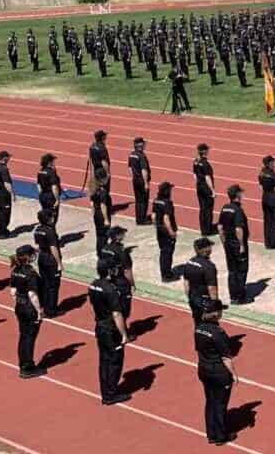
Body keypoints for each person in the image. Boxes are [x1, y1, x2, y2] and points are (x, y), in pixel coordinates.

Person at [194, 298, 236, 446]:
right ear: (216, 313)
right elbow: (226, 357)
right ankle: (220, 435)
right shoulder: (217, 332)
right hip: (219, 373)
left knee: (210, 402)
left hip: (204, 369)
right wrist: (234, 374)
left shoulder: (199, 328)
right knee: (220, 404)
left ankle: (211, 433)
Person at [89, 259, 130, 404]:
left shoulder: (93, 285)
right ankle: (110, 394)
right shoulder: (110, 289)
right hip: (111, 329)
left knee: (104, 361)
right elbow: (117, 314)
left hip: (100, 326)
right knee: (114, 361)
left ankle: (106, 391)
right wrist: (124, 334)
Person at [10, 245, 45, 378]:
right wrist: (39, 311)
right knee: (30, 337)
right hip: (30, 308)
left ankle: (23, 362)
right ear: (29, 257)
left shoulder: (15, 270)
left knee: (23, 335)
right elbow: (32, 294)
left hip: (19, 307)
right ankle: (27, 367)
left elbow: (13, 292)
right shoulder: (31, 273)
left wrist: (19, 301)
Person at [218, 185, 251, 304]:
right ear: (237, 195)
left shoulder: (225, 208)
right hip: (237, 244)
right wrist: (242, 245)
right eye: (241, 193)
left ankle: (233, 295)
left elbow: (220, 226)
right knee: (242, 270)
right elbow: (238, 229)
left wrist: (223, 241)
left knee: (232, 270)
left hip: (228, 243)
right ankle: (240, 296)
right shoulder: (238, 210)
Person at [182, 237, 220, 326]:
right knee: (211, 324)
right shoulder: (209, 266)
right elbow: (212, 288)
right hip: (205, 300)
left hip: (193, 298)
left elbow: (186, 283)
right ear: (205, 249)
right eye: (209, 246)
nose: (211, 248)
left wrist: (190, 298)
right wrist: (215, 305)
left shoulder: (189, 262)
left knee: (197, 322)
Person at [32, 209, 63, 317]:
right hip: (51, 260)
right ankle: (51, 310)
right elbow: (53, 248)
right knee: (53, 286)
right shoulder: (50, 231)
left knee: (45, 283)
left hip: (42, 258)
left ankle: (45, 306)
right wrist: (59, 263)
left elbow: (38, 245)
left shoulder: (37, 230)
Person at [154, 181, 179, 281]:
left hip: (159, 230)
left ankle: (164, 272)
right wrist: (171, 231)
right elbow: (166, 218)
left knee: (163, 252)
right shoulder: (167, 203)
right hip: (166, 231)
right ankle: (167, 275)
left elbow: (153, 216)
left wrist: (158, 227)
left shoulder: (156, 201)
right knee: (168, 253)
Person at [259, 155, 275, 249]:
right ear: (270, 163)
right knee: (274, 222)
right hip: (273, 199)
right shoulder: (274, 175)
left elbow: (260, 186)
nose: (274, 163)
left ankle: (267, 242)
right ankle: (273, 244)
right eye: (273, 162)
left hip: (265, 198)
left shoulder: (261, 173)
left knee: (267, 221)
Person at [193, 144, 217, 236]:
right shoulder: (205, 164)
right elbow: (207, 178)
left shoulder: (196, 161)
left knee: (202, 208)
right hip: (206, 188)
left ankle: (203, 229)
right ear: (205, 152)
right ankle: (208, 230)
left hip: (199, 187)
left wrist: (199, 182)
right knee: (208, 209)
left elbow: (194, 175)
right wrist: (212, 190)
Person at [127, 137, 152, 225]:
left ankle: (138, 218)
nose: (145, 145)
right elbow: (144, 170)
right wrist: (145, 183)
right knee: (143, 200)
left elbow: (129, 167)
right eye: (143, 143)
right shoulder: (141, 156)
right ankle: (142, 219)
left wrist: (134, 176)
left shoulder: (132, 154)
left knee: (138, 200)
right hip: (141, 180)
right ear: (139, 145)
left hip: (135, 180)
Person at [0, 150, 14, 238]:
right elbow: (7, 183)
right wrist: (13, 194)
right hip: (3, 194)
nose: (9, 159)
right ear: (5, 158)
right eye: (8, 157)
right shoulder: (3, 169)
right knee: (5, 213)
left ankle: (1, 230)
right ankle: (2, 233)